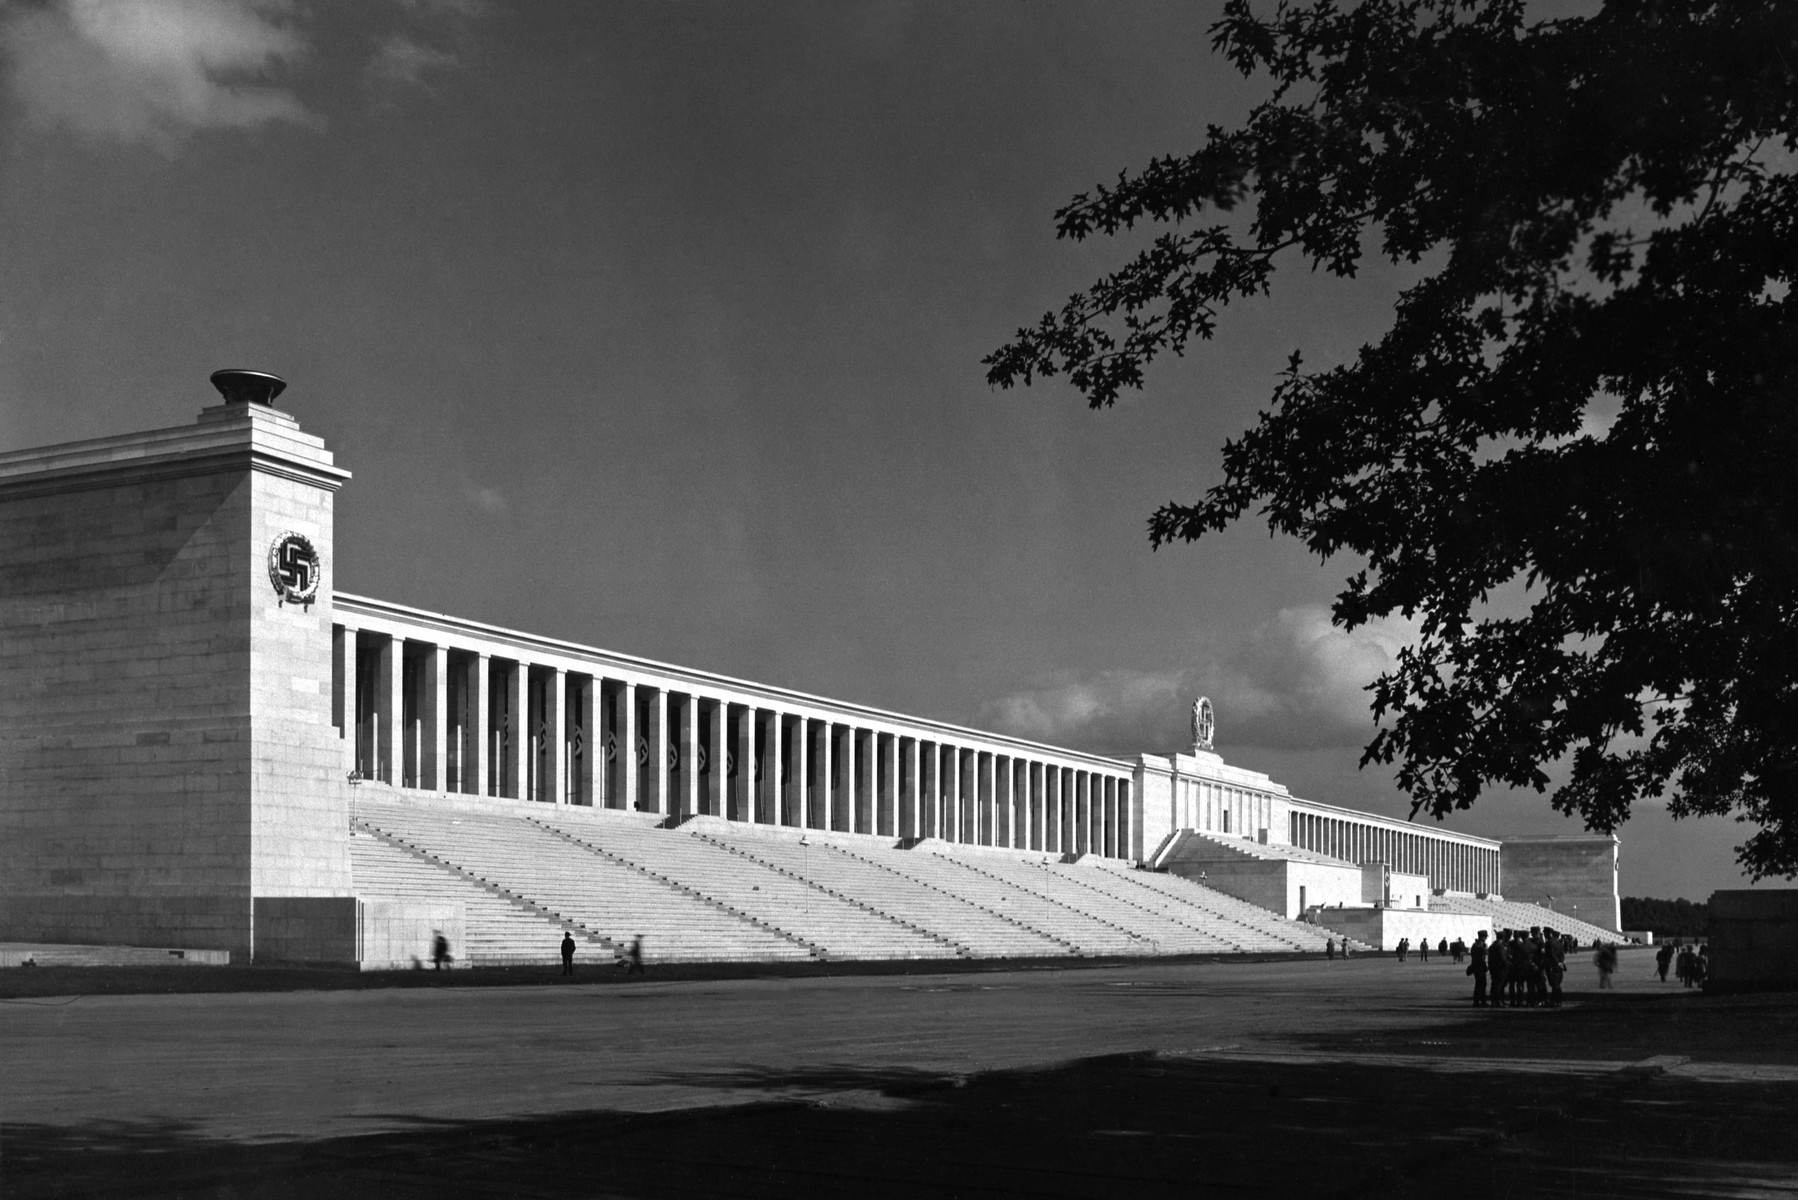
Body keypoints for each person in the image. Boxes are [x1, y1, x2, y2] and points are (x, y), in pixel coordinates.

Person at [1469, 930, 1489, 1007]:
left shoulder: (1476, 944)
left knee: (1480, 984)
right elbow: (1481, 954)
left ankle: (1478, 1001)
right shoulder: (1479, 945)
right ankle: (1480, 1001)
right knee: (1481, 984)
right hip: (1479, 966)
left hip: (1478, 966)